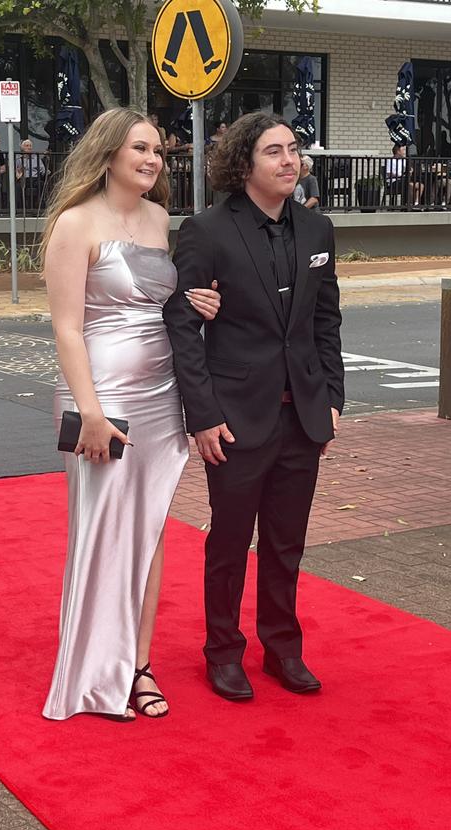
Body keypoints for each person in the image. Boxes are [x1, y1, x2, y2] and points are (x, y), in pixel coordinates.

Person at [40, 108, 221, 722]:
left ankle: (138, 665)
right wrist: (89, 412)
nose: (152, 160)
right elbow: (67, 329)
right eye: (139, 148)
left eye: (159, 151)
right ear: (108, 154)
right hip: (102, 401)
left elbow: (162, 305)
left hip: (162, 397)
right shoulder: (74, 223)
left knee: (149, 530)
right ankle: (92, 671)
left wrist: (197, 301)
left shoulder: (159, 218)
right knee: (99, 530)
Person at [163, 113, 345, 702]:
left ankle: (283, 649)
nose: (289, 161)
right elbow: (184, 327)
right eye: (275, 152)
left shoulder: (318, 230)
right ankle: (222, 651)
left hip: (303, 415)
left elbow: (326, 321)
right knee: (230, 540)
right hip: (235, 418)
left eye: (294, 150)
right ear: (245, 164)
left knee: (287, 542)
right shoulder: (206, 231)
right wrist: (203, 414)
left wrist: (333, 398)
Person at [385, 143, 423, 208]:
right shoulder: (390, 160)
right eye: (402, 150)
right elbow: (389, 173)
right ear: (398, 151)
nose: (404, 152)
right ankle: (409, 204)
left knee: (420, 185)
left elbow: (408, 169)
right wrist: (399, 175)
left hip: (404, 180)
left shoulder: (404, 160)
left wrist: (410, 171)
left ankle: (416, 203)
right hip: (394, 182)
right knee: (410, 185)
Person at [15, 139, 47, 208]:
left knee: (41, 184)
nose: (29, 147)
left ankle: (39, 207)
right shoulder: (18, 159)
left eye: (30, 146)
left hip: (35, 179)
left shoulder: (36, 158)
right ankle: (19, 208)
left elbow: (43, 171)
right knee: (17, 186)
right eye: (27, 146)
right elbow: (16, 171)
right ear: (22, 148)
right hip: (23, 179)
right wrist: (18, 173)